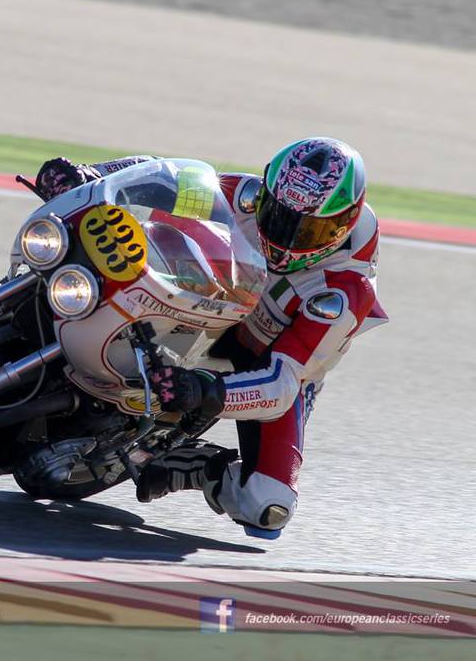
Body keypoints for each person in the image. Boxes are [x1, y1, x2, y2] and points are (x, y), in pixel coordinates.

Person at [35, 138, 387, 538]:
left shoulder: (345, 291)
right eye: (279, 214)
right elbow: (161, 176)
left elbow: (282, 384)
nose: (287, 237)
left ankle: (196, 467)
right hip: (209, 305)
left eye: (310, 230)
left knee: (267, 506)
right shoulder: (248, 196)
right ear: (268, 191)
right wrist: (89, 175)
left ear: (343, 224)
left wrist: (206, 390)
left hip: (268, 362)